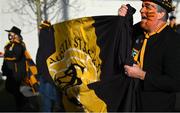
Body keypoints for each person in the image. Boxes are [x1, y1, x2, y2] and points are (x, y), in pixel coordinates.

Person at [119, 0, 180, 112]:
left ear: (161, 14)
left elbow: (175, 82)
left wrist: (142, 75)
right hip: (130, 104)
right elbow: (119, 40)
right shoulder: (136, 30)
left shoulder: (174, 41)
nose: (142, 10)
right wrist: (121, 21)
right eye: (142, 6)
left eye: (148, 7)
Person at [1, 26, 39, 111]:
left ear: (16, 35)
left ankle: (25, 105)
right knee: (10, 88)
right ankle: (24, 103)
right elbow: (6, 59)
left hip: (17, 73)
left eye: (11, 34)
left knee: (16, 90)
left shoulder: (18, 45)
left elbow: (16, 56)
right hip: (11, 73)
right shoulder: (8, 45)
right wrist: (4, 69)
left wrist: (5, 55)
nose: (9, 35)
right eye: (9, 34)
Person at [36, 21, 64, 112]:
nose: (40, 31)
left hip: (48, 75)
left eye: (42, 29)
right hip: (44, 75)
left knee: (48, 100)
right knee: (48, 99)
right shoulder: (44, 44)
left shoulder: (49, 41)